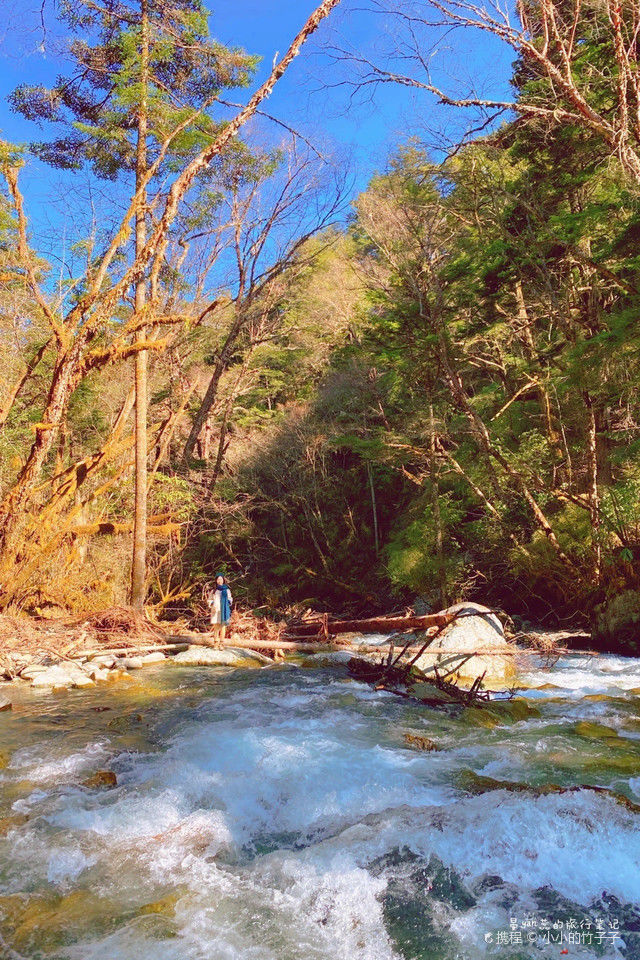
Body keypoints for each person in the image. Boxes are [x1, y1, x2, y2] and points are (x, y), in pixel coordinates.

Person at [205, 573, 233, 646]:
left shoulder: (227, 590)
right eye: (218, 579)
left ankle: (222, 643)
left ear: (223, 580)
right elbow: (209, 599)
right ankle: (215, 642)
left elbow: (230, 598)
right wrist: (212, 603)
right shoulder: (214, 590)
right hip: (216, 610)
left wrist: (228, 602)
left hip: (224, 610)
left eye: (221, 579)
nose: (219, 581)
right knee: (216, 626)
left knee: (223, 626)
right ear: (216, 580)